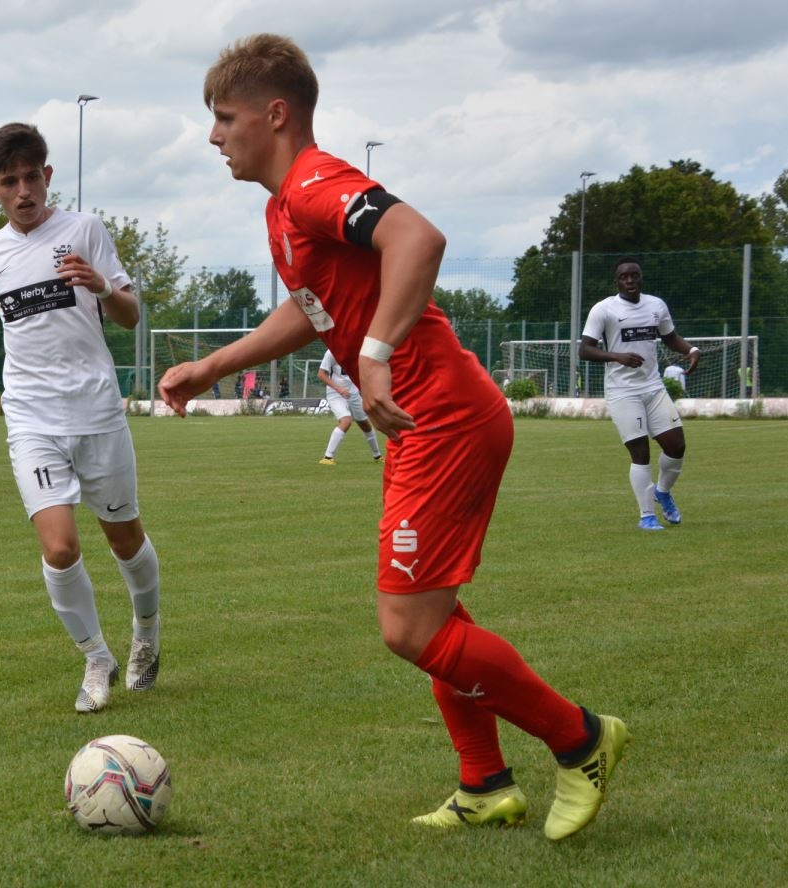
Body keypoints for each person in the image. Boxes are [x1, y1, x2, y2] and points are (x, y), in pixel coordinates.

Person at [159, 33, 627, 841]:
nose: (213, 136)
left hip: (443, 415)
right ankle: (485, 784)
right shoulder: (283, 209)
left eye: (225, 118)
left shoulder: (314, 183)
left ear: (276, 115)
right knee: (435, 616)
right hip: (420, 422)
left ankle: (581, 740)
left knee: (409, 628)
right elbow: (312, 311)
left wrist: (373, 355)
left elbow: (418, 237)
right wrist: (212, 366)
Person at [0, 123, 161, 713]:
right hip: (31, 417)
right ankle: (96, 657)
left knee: (124, 538)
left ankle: (146, 630)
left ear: (48, 176)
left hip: (97, 411)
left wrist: (102, 285)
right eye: (8, 181)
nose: (23, 192)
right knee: (60, 548)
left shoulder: (85, 230)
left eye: (31, 178)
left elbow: (129, 315)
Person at [579, 257, 699, 531]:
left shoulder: (656, 305)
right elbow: (584, 349)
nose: (630, 280)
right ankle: (647, 516)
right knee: (640, 452)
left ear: (641, 278)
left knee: (676, 446)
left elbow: (670, 337)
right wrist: (617, 356)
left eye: (634, 275)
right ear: (616, 281)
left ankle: (662, 492)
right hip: (622, 391)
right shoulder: (604, 309)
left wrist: (691, 350)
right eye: (624, 277)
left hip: (653, 387)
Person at [317, 348, 383, 464]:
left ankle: (377, 456)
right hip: (335, 394)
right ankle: (327, 458)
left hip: (353, 393)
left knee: (365, 424)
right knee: (346, 421)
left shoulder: (359, 350)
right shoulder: (331, 352)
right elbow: (321, 375)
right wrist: (339, 388)